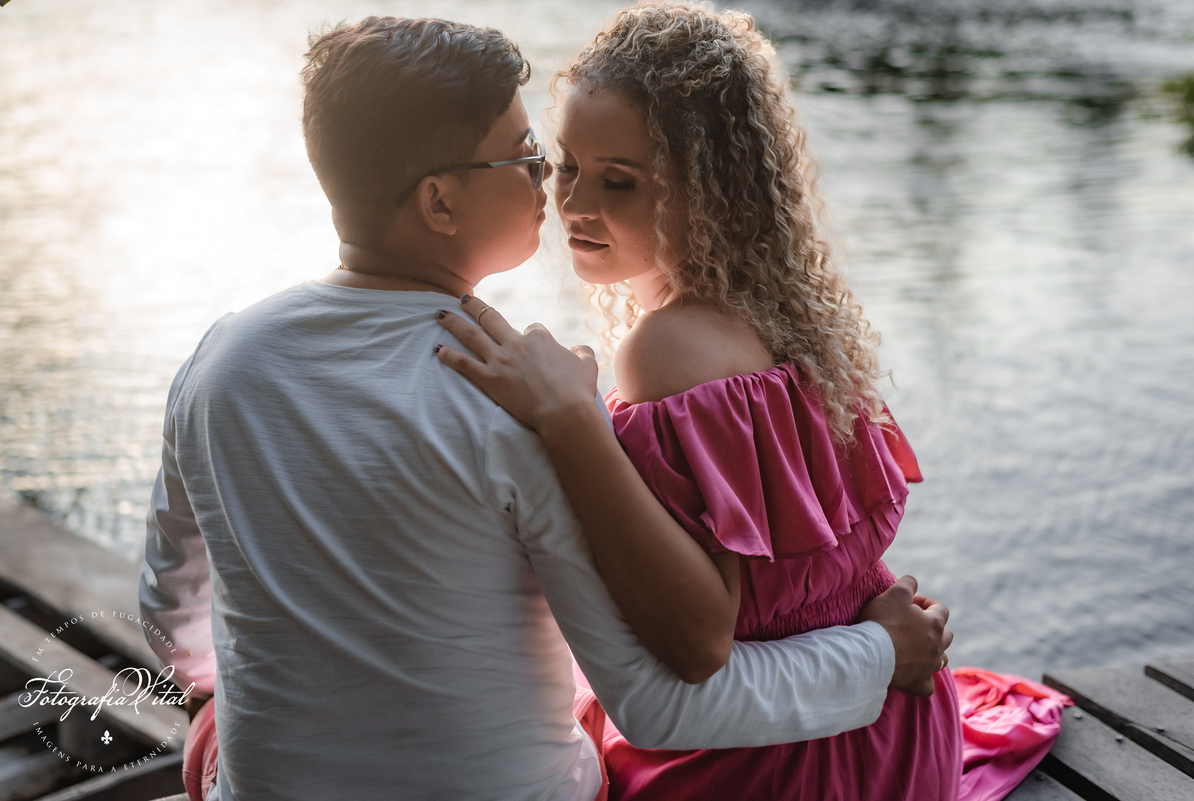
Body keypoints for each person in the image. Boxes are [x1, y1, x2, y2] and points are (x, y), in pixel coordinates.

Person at [139, 15, 952, 801]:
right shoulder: (520, 400)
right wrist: (879, 654)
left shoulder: (218, 360)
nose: (551, 188)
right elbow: (661, 699)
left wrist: (217, 698)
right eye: (534, 159)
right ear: (439, 204)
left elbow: (171, 613)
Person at [433, 3, 969, 799]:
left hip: (792, 754)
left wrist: (571, 420)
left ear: (714, 193)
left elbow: (697, 643)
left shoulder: (665, 350)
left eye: (619, 181)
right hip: (899, 726)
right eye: (565, 166)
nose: (575, 205)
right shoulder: (784, 319)